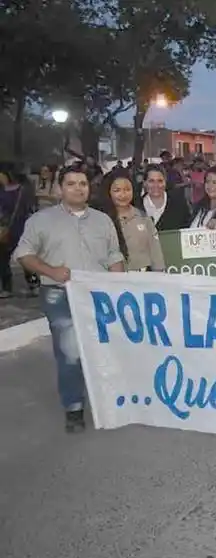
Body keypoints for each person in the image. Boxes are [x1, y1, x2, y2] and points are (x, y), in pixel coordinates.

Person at [13, 163, 125, 432]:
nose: (78, 189)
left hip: (99, 294)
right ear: (60, 188)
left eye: (82, 184)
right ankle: (74, 407)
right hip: (60, 294)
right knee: (71, 349)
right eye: (71, 184)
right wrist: (51, 271)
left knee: (105, 347)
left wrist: (119, 285)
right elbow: (23, 254)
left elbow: (114, 256)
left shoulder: (102, 220)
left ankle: (109, 400)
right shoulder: (41, 221)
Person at [102, 171, 165, 272]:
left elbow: (155, 251)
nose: (123, 194)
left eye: (127, 189)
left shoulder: (143, 216)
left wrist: (159, 274)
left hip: (143, 276)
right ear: (108, 192)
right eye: (117, 190)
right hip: (113, 278)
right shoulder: (102, 220)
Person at [0, 167, 38, 298]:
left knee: (23, 258)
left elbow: (29, 207)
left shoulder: (20, 191)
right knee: (4, 259)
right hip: (7, 229)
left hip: (16, 228)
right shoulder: (5, 190)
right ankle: (8, 288)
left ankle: (33, 285)